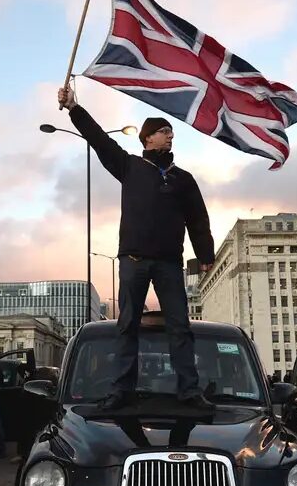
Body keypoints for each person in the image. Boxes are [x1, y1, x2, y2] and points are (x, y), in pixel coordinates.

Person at [57, 84, 215, 411]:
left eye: (171, 132)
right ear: (146, 139)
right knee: (126, 327)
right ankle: (121, 392)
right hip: (133, 262)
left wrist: (205, 256)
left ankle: (189, 391)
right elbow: (99, 139)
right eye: (163, 132)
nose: (170, 136)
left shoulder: (183, 178)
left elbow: (198, 218)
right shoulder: (129, 167)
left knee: (180, 328)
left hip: (170, 264)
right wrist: (74, 108)